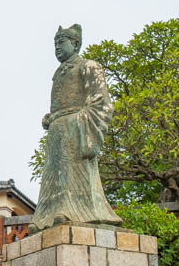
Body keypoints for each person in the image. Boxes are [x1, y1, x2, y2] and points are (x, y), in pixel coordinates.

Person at [29, 23, 122, 231]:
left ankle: (77, 212)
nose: (57, 48)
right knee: (53, 175)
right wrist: (51, 117)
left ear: (75, 43)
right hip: (57, 132)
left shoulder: (88, 66)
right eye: (55, 44)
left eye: (61, 42)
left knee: (75, 173)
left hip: (76, 129)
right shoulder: (58, 74)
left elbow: (102, 102)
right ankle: (46, 216)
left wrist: (78, 120)